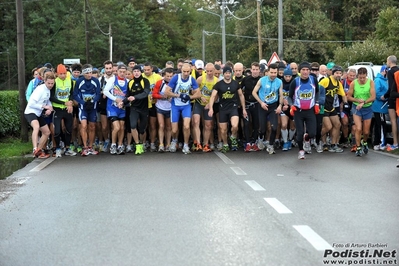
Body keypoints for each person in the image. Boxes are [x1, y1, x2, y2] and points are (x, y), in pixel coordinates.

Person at [208, 66, 247, 153]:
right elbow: (213, 96)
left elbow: (241, 95)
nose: (228, 75)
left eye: (229, 73)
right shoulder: (219, 84)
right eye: (226, 73)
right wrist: (211, 108)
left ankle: (233, 137)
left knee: (235, 126)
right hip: (223, 109)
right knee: (223, 130)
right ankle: (225, 144)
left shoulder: (235, 83)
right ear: (223, 74)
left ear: (231, 73)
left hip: (233, 108)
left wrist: (244, 108)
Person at [164, 63, 201, 154]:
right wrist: (178, 95)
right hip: (175, 105)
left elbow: (199, 94)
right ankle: (174, 140)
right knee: (174, 129)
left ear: (190, 71)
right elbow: (167, 92)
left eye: (188, 71)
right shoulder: (176, 78)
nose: (186, 73)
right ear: (181, 70)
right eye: (184, 71)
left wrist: (189, 97)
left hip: (186, 106)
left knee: (186, 126)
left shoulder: (192, 79)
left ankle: (186, 144)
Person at [288, 62, 320, 159]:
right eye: (303, 70)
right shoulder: (295, 81)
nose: (305, 72)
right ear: (299, 71)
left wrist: (317, 103)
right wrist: (291, 105)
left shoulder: (313, 80)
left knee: (312, 133)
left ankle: (307, 139)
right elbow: (289, 97)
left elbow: (317, 92)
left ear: (309, 71)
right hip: (299, 111)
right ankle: (301, 151)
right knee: (300, 132)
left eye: (307, 70)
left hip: (310, 110)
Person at [252, 63, 283, 154]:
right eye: (272, 72)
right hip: (262, 106)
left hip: (273, 106)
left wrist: (280, 105)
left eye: (275, 72)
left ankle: (270, 145)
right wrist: (261, 103)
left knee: (274, 127)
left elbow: (281, 95)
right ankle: (260, 138)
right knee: (263, 128)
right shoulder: (262, 80)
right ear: (268, 72)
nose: (273, 74)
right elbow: (254, 92)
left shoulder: (279, 82)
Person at [346, 67, 376, 156]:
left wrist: (364, 102)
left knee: (366, 132)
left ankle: (365, 142)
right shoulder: (353, 83)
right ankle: (358, 147)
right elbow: (348, 97)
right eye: (360, 77)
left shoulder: (370, 82)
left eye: (363, 77)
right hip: (356, 107)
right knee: (358, 128)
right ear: (357, 76)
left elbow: (373, 97)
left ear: (366, 75)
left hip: (367, 108)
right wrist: (357, 100)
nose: (362, 79)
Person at [24, 73, 55, 159]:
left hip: (38, 113)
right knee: (36, 127)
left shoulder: (48, 90)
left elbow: (47, 101)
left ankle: (39, 151)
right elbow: (31, 103)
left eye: (52, 83)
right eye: (49, 83)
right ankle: (34, 149)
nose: (50, 85)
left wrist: (49, 108)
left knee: (47, 132)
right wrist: (44, 107)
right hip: (30, 111)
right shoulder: (40, 89)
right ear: (44, 81)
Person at [73, 64, 101, 156]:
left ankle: (90, 146)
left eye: (91, 72)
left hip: (92, 107)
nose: (89, 75)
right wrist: (83, 102)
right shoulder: (79, 81)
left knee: (92, 126)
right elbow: (75, 95)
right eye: (87, 73)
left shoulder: (96, 81)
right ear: (84, 73)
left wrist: (92, 101)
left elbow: (98, 94)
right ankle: (85, 147)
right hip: (83, 107)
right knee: (84, 126)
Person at [318, 65, 347, 152]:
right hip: (323, 107)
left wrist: (345, 103)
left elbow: (343, 94)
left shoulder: (339, 83)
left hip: (331, 107)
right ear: (333, 73)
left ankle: (333, 144)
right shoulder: (326, 81)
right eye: (337, 73)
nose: (339, 75)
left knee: (337, 125)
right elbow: (316, 90)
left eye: (340, 73)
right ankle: (316, 139)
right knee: (328, 127)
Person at [50, 64, 77, 157]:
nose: (63, 75)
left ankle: (67, 148)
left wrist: (69, 102)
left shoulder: (70, 80)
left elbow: (71, 93)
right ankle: (57, 148)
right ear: (57, 74)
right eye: (61, 74)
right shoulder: (55, 82)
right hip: (57, 109)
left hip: (67, 109)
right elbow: (51, 97)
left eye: (64, 73)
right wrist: (63, 103)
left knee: (69, 129)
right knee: (57, 131)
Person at [124, 65, 151, 155]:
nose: (136, 73)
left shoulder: (145, 81)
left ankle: (143, 143)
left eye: (138, 71)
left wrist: (134, 97)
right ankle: (137, 145)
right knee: (133, 126)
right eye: (134, 71)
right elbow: (128, 96)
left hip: (144, 108)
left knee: (142, 129)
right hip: (134, 108)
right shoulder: (130, 82)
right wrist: (122, 102)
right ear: (132, 73)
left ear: (141, 72)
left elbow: (145, 93)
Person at [192, 63, 218, 152]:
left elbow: (216, 96)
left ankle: (205, 144)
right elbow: (192, 90)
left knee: (208, 125)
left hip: (208, 105)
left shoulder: (216, 81)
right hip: (199, 103)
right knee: (196, 122)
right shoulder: (200, 79)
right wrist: (199, 96)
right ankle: (198, 143)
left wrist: (210, 104)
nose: (209, 73)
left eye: (211, 71)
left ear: (214, 71)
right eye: (208, 71)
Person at [103, 64, 128, 155]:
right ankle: (113, 144)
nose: (122, 73)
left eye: (124, 72)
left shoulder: (128, 81)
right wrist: (115, 99)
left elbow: (128, 95)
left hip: (122, 107)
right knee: (116, 127)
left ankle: (120, 145)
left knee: (121, 127)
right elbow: (105, 91)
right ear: (117, 72)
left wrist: (123, 102)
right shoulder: (112, 80)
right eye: (120, 72)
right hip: (112, 107)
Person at [240, 62, 261, 151]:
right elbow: (239, 91)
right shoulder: (246, 79)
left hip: (257, 104)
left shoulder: (262, 79)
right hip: (247, 104)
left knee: (256, 124)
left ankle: (254, 142)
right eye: (253, 69)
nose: (255, 71)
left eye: (257, 70)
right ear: (251, 70)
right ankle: (247, 143)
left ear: (259, 70)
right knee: (246, 123)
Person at [152, 67, 174, 152]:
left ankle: (168, 144)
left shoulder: (174, 83)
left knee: (168, 127)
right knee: (161, 125)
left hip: (170, 108)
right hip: (160, 107)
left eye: (171, 76)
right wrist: (162, 96)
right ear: (164, 76)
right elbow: (154, 94)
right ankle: (161, 144)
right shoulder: (159, 83)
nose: (169, 78)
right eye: (167, 76)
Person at [143, 62, 162, 152]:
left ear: (152, 69)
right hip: (143, 104)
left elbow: (161, 90)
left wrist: (155, 95)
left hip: (154, 104)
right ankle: (143, 142)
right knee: (143, 125)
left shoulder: (157, 77)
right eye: (145, 70)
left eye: (148, 70)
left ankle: (152, 143)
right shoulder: (141, 76)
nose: (146, 71)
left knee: (153, 124)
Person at [384, 55, 399, 151]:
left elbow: (391, 88)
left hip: (393, 98)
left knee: (393, 121)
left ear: (389, 62)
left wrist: (384, 96)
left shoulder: (390, 72)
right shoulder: (398, 70)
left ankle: (395, 142)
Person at [372, 65, 389, 150]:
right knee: (381, 125)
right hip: (379, 106)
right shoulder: (378, 80)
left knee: (382, 125)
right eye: (387, 71)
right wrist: (385, 97)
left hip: (384, 106)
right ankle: (379, 143)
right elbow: (377, 93)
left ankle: (381, 142)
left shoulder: (386, 80)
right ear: (384, 71)